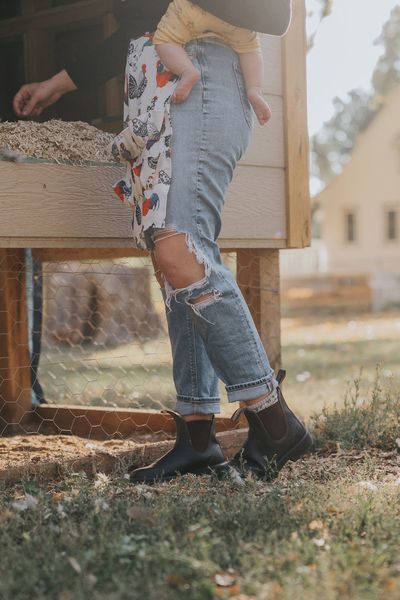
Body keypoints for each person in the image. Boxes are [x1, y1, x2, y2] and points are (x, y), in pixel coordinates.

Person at [14, 0, 313, 484]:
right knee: (170, 262)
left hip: (202, 76)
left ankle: (275, 422)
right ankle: (197, 438)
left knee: (180, 247)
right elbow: (139, 23)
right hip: (152, 88)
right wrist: (56, 85)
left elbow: (275, 14)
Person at [153, 0, 271, 125]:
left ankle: (187, 70)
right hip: (237, 17)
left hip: (191, 8)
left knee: (165, 39)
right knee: (250, 49)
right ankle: (254, 89)